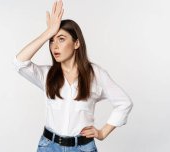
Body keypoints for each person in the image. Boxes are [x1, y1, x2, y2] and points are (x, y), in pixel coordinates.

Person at [12, 0, 133, 151]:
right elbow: (19, 62)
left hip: (82, 147)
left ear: (76, 43)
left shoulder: (95, 74)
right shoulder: (47, 75)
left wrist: (102, 133)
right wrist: (49, 32)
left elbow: (124, 103)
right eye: (51, 41)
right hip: (49, 146)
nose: (54, 46)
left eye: (61, 39)